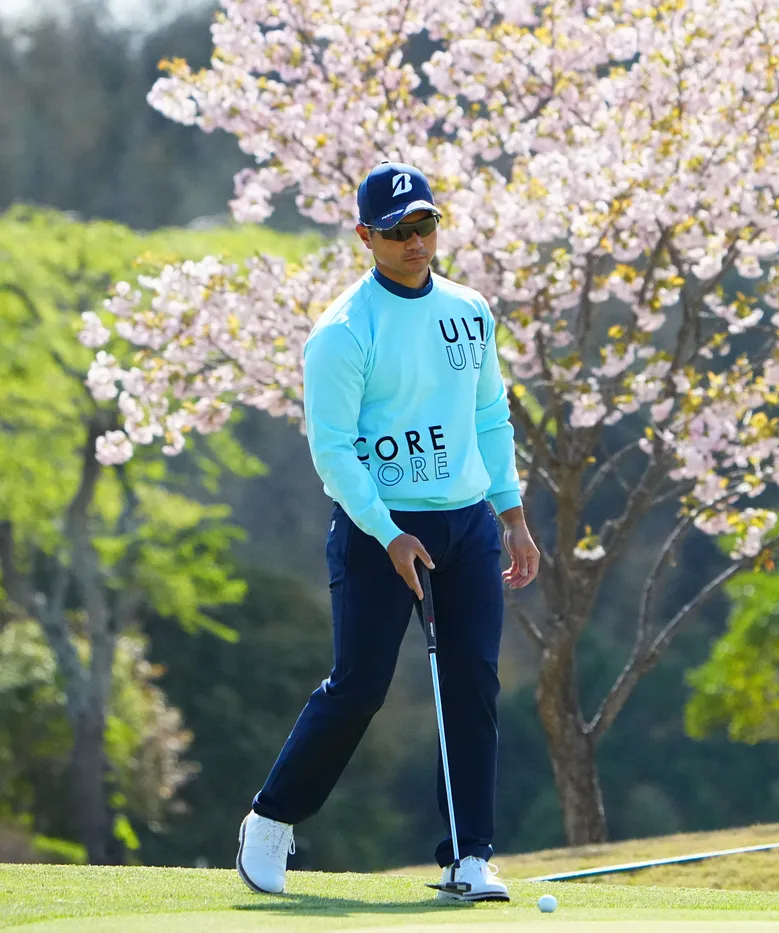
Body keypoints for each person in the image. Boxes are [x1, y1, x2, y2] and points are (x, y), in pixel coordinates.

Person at [234, 161, 540, 902]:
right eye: (398, 230)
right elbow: (333, 450)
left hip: (467, 523)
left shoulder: (469, 310)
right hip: (378, 528)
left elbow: (490, 415)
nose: (414, 241)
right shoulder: (343, 331)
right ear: (365, 236)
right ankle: (270, 820)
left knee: (471, 680)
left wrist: (512, 515)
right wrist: (386, 531)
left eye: (425, 224)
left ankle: (469, 856)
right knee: (361, 685)